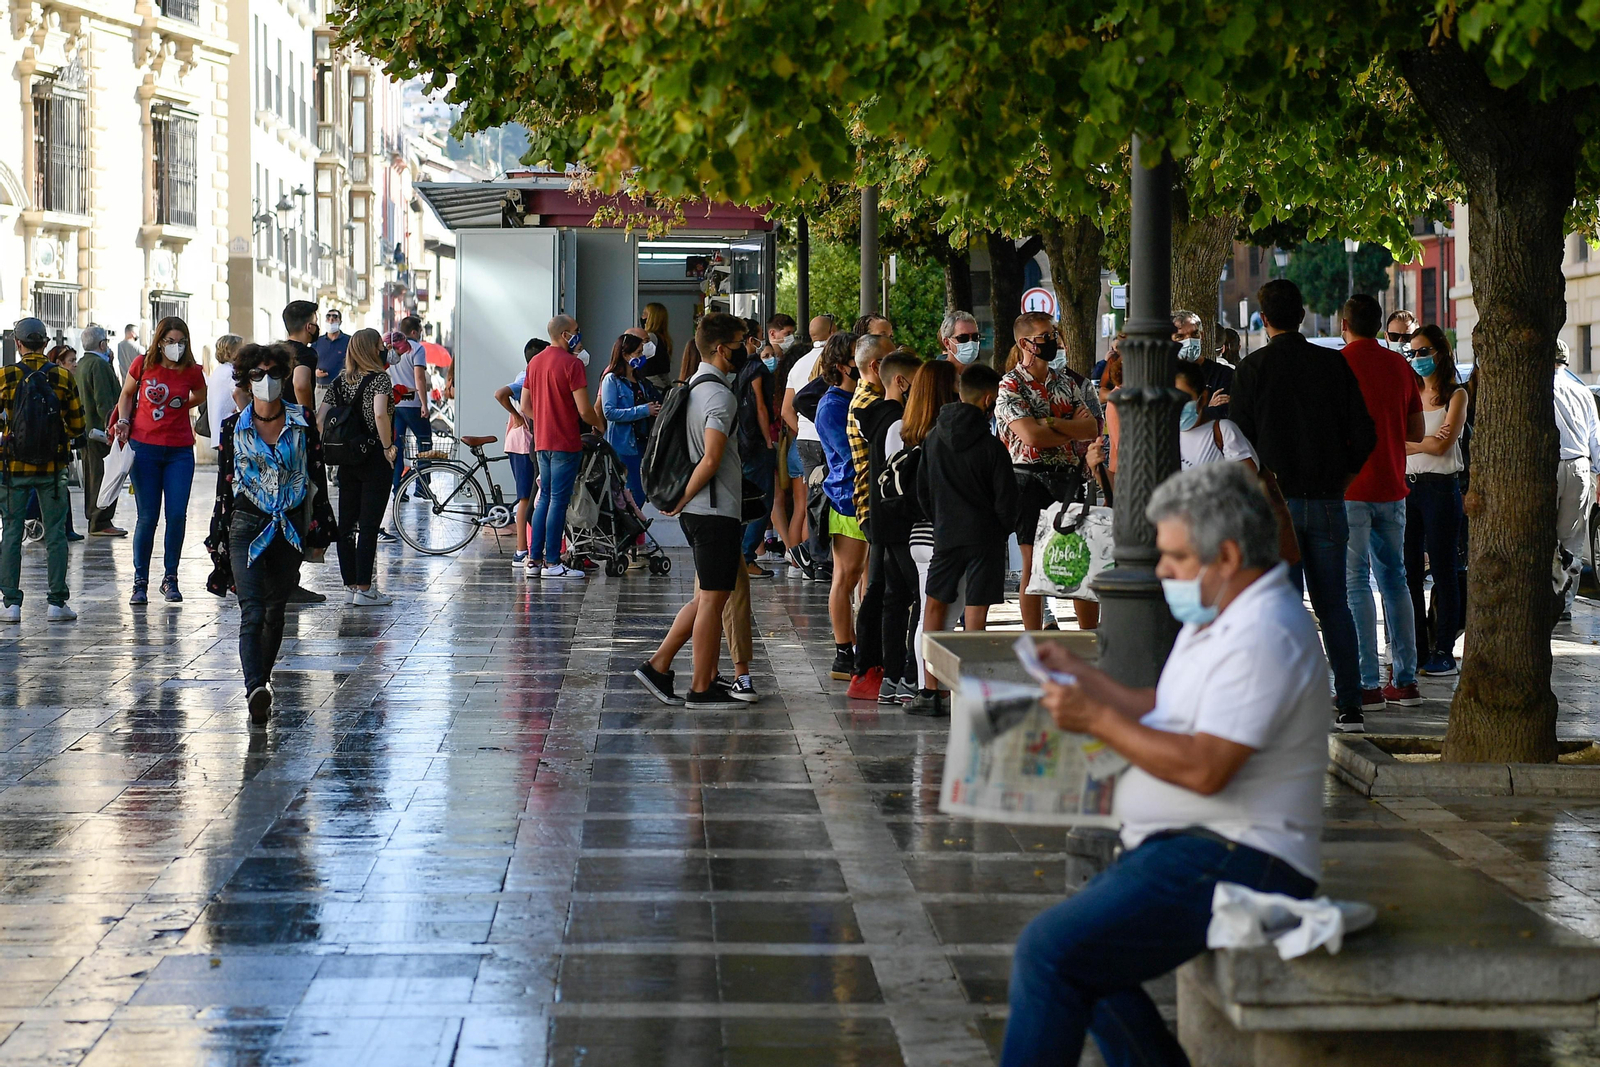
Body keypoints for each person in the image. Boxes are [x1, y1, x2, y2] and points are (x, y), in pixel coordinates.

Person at [1003, 462, 1327, 1067]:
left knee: (1048, 952)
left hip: (1242, 855)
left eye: (1175, 558)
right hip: (1195, 843)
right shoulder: (1219, 614)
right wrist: (1090, 684)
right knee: (1082, 962)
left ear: (1226, 556)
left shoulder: (1264, 632)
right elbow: (1169, 709)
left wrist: (1096, 720)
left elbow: (1207, 767)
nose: (1162, 572)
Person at [1230, 279, 1375, 727]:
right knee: (1335, 604)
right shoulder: (1333, 364)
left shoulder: (1251, 370)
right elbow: (1365, 434)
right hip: (1329, 500)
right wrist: (1342, 477)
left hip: (1275, 503)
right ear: (1303, 313)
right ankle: (1350, 700)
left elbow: (1239, 445)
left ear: (1265, 318)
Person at [205, 343, 335, 725]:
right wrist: (218, 536)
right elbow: (225, 483)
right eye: (257, 375)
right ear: (246, 380)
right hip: (246, 523)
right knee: (252, 610)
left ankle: (262, 683)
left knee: (276, 610)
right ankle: (255, 687)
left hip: (290, 525)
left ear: (283, 377)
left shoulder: (304, 421)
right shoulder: (233, 427)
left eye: (273, 374)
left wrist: (319, 531)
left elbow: (316, 476)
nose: (265, 381)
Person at [633, 313, 748, 708]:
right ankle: (701, 687)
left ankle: (658, 666)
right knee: (714, 601)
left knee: (704, 598)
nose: (746, 349)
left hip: (701, 509)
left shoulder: (695, 386)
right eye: (741, 342)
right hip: (713, 509)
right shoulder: (718, 395)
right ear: (721, 348)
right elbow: (712, 458)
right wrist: (683, 497)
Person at [1340, 294, 1426, 726]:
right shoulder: (1401, 367)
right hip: (1393, 486)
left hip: (1351, 489)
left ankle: (1367, 683)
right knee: (1397, 581)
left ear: (1344, 324)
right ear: (1379, 326)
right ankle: (1406, 680)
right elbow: (1416, 430)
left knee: (1356, 583)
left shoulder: (1338, 366)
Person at [916, 363, 1019, 706]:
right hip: (985, 539)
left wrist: (941, 519)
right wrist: (999, 529)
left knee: (934, 607)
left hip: (945, 534)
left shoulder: (933, 438)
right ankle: (969, 692)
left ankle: (930, 689)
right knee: (976, 616)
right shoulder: (993, 447)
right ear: (988, 399)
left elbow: (922, 490)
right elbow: (1007, 502)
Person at [997, 312, 1099, 632]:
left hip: (1068, 479)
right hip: (1028, 479)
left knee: (1079, 557)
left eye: (1053, 334)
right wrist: (1069, 428)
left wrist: (1052, 423)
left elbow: (1091, 427)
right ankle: (1033, 637)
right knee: (1033, 563)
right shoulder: (1010, 385)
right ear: (1025, 343)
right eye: (1044, 336)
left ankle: (1089, 636)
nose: (1052, 341)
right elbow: (1031, 437)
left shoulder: (1066, 382)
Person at [113, 315, 207, 606]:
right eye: (170, 341)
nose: (175, 346)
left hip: (179, 450)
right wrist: (125, 421)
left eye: (181, 342)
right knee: (147, 517)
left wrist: (181, 405)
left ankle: (171, 578)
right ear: (159, 341)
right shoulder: (142, 364)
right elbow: (126, 395)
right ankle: (140, 582)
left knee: (177, 515)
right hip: (145, 448)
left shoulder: (192, 370)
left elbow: (200, 395)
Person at [0, 317, 84, 622]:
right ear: (45, 344)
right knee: (56, 535)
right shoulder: (62, 377)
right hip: (53, 468)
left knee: (11, 532)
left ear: (17, 344)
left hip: (12, 468)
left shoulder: (5, 376)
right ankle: (56, 602)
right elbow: (77, 425)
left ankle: (11, 604)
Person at [900, 360, 964, 715]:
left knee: (929, 613)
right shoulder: (945, 434)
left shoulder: (912, 432)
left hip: (919, 535)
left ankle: (930, 687)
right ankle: (932, 688)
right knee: (941, 615)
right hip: (943, 533)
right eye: (955, 382)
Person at [1402, 327, 1468, 669]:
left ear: (1440, 352)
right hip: (1408, 487)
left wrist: (1415, 442)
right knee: (1409, 573)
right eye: (1412, 353)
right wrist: (1424, 442)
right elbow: (1396, 440)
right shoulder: (1408, 394)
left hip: (1441, 489)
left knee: (1444, 571)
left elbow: (1442, 446)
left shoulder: (1456, 395)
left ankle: (1444, 651)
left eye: (1423, 351)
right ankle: (1417, 648)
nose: (1417, 359)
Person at [860, 349, 922, 705]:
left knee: (894, 601)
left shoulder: (876, 419)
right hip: (900, 525)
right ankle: (910, 678)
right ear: (900, 381)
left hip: (883, 522)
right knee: (916, 599)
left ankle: (893, 678)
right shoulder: (898, 423)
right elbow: (901, 476)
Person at [319, 328, 396, 607]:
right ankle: (365, 586)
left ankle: (350, 584)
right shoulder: (380, 380)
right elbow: (379, 414)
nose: (382, 349)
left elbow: (321, 418)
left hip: (347, 458)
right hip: (374, 456)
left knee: (347, 524)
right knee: (369, 524)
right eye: (379, 345)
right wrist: (387, 447)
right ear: (372, 349)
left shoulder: (340, 381)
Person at [522, 314, 602, 579]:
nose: (580, 334)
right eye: (576, 330)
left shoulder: (534, 363)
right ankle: (553, 562)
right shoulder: (572, 364)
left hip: (542, 441)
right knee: (558, 500)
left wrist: (544, 419)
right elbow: (584, 409)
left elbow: (525, 406)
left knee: (544, 497)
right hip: (566, 442)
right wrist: (599, 424)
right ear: (565, 334)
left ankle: (534, 560)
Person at [816, 334, 870, 681]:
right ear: (842, 366)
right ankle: (842, 652)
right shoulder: (834, 406)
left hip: (862, 496)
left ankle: (857, 646)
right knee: (845, 578)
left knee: (860, 577)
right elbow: (851, 455)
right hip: (848, 499)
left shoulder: (855, 399)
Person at [279, 302, 331, 605]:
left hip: (273, 434)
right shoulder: (305, 354)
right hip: (297, 438)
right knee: (303, 505)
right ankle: (291, 581)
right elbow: (301, 384)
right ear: (308, 325)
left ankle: (279, 577)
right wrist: (308, 417)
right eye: (315, 320)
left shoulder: (275, 351)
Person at [781, 313, 838, 575]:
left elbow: (786, 410)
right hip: (828, 440)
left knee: (809, 502)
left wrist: (803, 429)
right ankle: (818, 557)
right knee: (825, 502)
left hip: (803, 439)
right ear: (833, 330)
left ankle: (801, 558)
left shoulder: (799, 364)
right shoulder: (835, 361)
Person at [1553, 337, 1600, 623]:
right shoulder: (1581, 390)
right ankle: (1565, 605)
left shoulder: (1535, 387)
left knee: (1544, 536)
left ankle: (1548, 597)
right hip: (1581, 467)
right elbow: (1596, 437)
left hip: (1549, 467)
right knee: (1572, 538)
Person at [495, 338, 547, 568]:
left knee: (530, 495)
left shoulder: (528, 375)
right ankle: (520, 550)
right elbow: (500, 393)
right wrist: (516, 416)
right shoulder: (525, 378)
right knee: (525, 497)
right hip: (522, 444)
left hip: (523, 443)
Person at [599, 330, 663, 507]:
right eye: (638, 353)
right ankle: (630, 530)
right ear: (625, 354)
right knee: (635, 491)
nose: (641, 357)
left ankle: (633, 531)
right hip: (624, 444)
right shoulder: (612, 379)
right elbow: (609, 412)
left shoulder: (640, 380)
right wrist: (644, 410)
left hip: (643, 441)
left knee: (641, 489)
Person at [75, 325, 126, 537]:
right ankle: (100, 520)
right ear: (102, 344)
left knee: (92, 476)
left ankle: (95, 518)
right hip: (101, 432)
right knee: (103, 476)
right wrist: (113, 428)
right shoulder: (99, 365)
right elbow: (105, 402)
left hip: (87, 431)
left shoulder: (83, 364)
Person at [1173, 363, 1256, 471]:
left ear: (1203, 398)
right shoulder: (1163, 435)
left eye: (1183, 399)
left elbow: (1247, 480)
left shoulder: (1224, 431)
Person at [207, 334, 244, 442]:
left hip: (219, 428)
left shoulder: (219, 371)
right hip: (229, 427)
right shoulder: (231, 371)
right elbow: (238, 393)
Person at [311, 308, 350, 407]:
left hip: (342, 390)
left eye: (335, 317)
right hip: (321, 389)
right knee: (320, 419)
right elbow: (310, 362)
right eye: (328, 317)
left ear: (340, 321)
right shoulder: (317, 342)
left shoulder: (348, 341)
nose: (331, 319)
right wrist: (315, 371)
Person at [638, 301, 675, 392]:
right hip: (663, 384)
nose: (642, 317)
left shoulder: (651, 337)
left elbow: (640, 359)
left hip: (653, 385)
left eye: (644, 314)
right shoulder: (664, 338)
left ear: (651, 318)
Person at [938, 311, 983, 375]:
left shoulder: (982, 376)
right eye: (963, 338)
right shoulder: (937, 376)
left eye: (975, 337)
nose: (971, 342)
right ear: (947, 343)